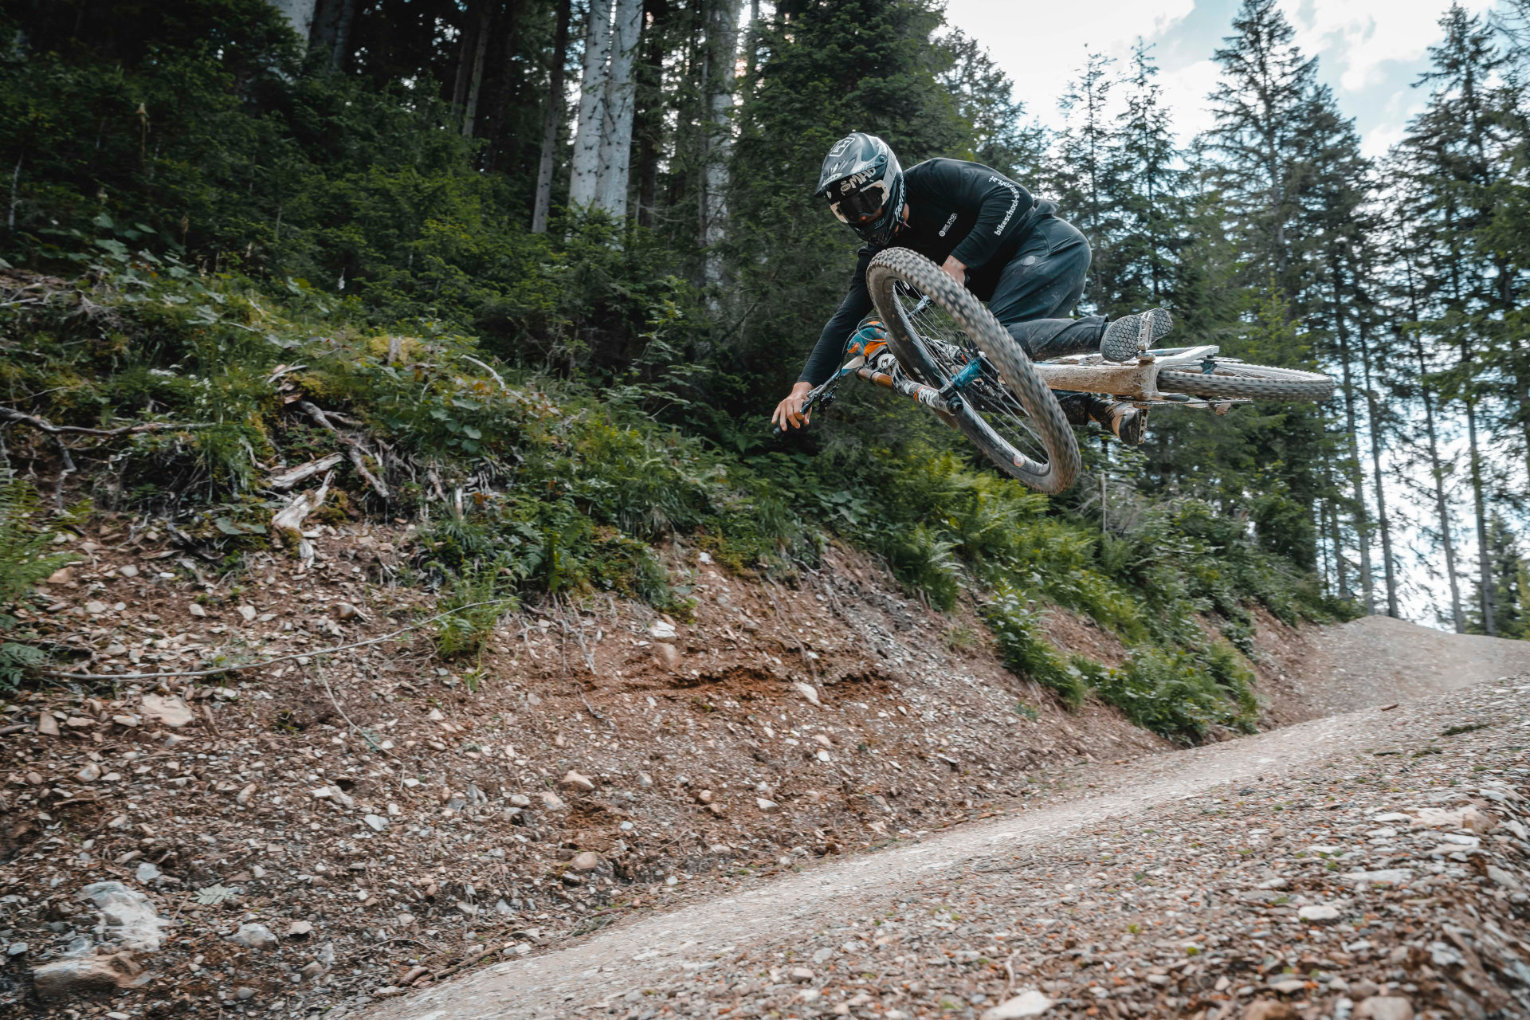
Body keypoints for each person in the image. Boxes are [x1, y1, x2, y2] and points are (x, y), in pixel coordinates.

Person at [771, 132, 1172, 444]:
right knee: (982, 379)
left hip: (1047, 246)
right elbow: (842, 323)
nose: (863, 217)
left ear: (889, 181)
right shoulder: (878, 256)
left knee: (991, 345)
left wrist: (959, 261)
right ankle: (1101, 409)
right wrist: (801, 388)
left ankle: (1115, 332)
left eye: (869, 201)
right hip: (1017, 292)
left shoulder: (932, 179)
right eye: (848, 211)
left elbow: (1013, 198)